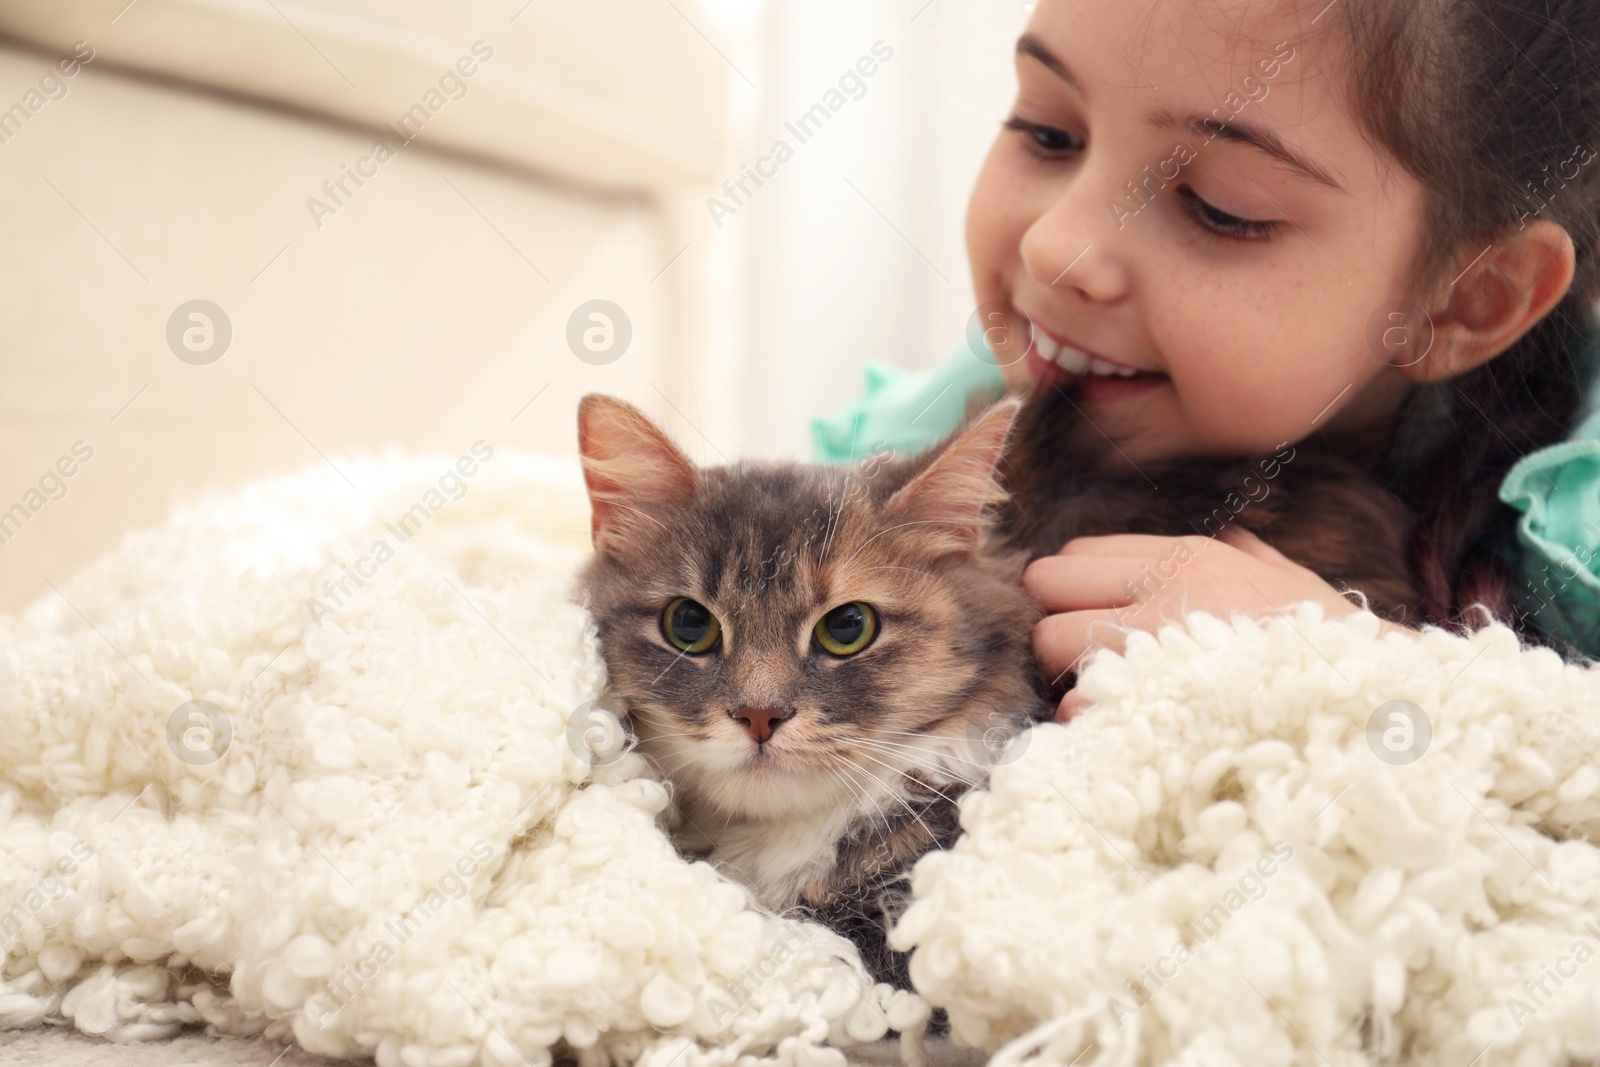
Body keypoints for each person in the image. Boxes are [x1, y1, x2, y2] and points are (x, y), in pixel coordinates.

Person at [813, 0, 1600, 709]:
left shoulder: (1579, 524)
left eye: (1219, 209)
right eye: (1048, 132)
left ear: (1468, 297)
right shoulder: (954, 425)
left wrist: (1353, 661)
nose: (1054, 247)